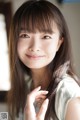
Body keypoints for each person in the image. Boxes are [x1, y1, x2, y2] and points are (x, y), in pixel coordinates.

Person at [8, 0, 80, 120]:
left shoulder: (68, 95)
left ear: (59, 43)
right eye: (25, 35)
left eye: (46, 37)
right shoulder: (26, 86)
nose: (34, 47)